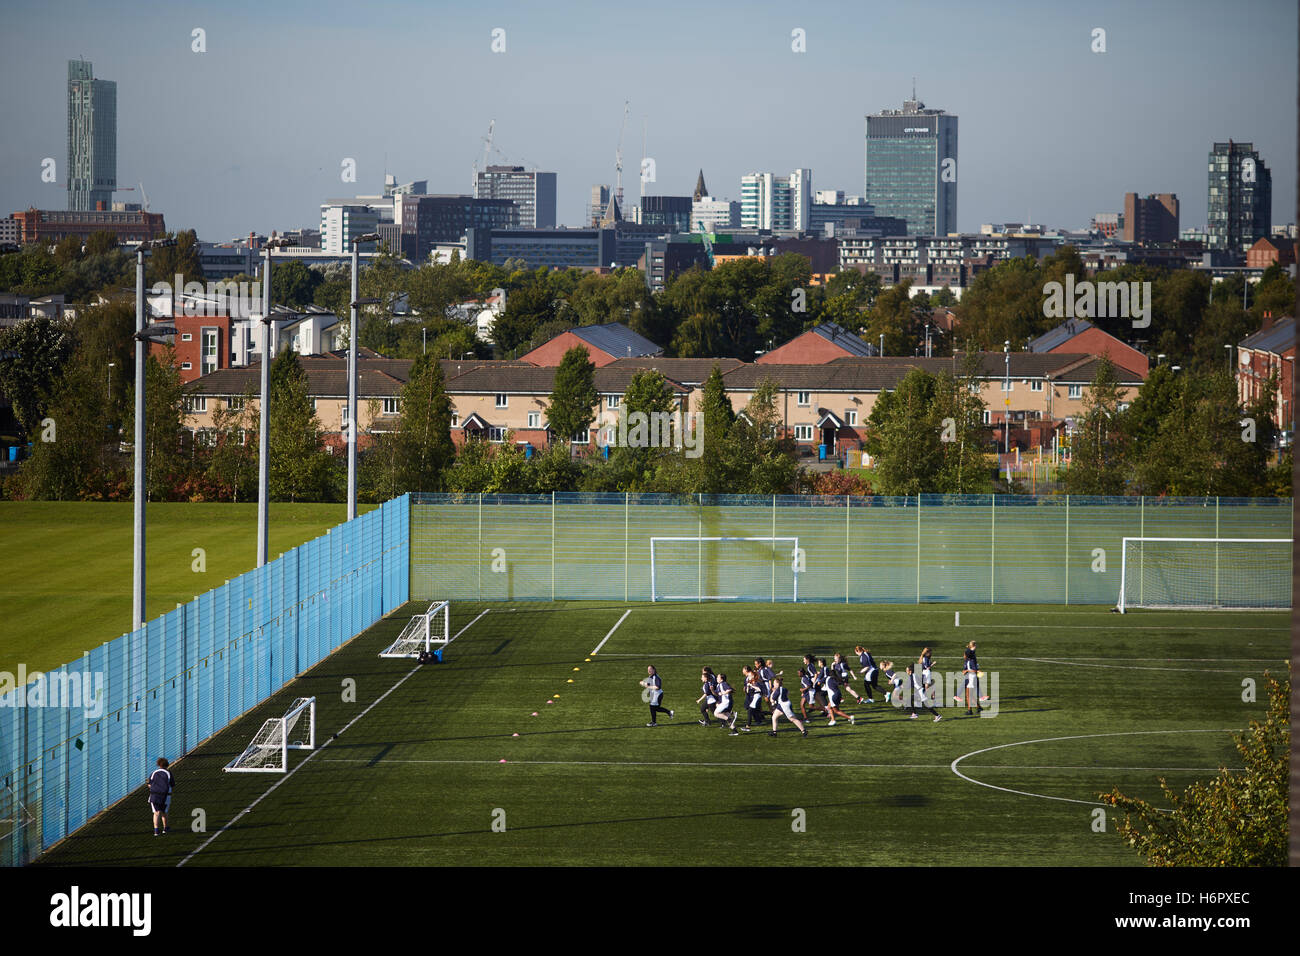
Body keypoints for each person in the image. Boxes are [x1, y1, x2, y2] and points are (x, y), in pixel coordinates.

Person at [819, 657, 855, 726]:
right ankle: (833, 720)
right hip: (838, 695)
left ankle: (850, 717)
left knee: (836, 711)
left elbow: (820, 683)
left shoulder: (827, 679)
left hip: (833, 696)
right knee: (830, 707)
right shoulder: (835, 679)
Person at [955, 640, 985, 715]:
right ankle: (978, 708)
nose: (964, 656)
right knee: (969, 694)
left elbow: (974, 670)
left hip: (972, 677)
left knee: (969, 695)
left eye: (965, 655)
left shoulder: (971, 660)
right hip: (970, 677)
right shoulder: (969, 659)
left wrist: (967, 671)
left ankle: (970, 710)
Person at [148, 757, 173, 837]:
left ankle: (156, 830)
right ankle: (165, 828)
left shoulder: (153, 773)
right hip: (165, 796)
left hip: (154, 795)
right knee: (164, 812)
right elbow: (172, 784)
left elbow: (149, 784)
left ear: (158, 764)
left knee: (156, 813)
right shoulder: (168, 773)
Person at [741, 667, 765, 732]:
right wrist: (747, 688)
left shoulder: (756, 679)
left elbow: (759, 689)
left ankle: (748, 726)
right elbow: (748, 689)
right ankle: (772, 713)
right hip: (753, 696)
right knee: (755, 710)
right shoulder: (749, 679)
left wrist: (751, 686)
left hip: (757, 696)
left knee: (750, 710)